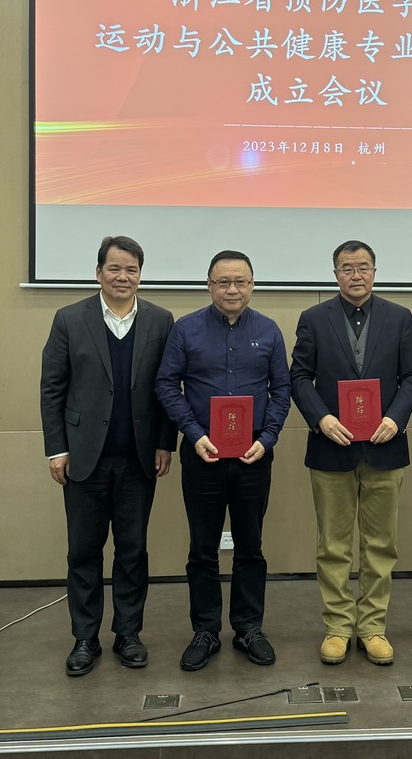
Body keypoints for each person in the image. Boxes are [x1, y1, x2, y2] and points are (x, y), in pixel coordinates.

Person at [41, 235, 175, 677]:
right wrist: (57, 449)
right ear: (98, 273)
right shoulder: (69, 319)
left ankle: (128, 634)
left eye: (131, 269)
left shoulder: (160, 320)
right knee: (83, 551)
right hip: (84, 458)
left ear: (141, 275)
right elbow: (52, 389)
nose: (123, 277)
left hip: (139, 458)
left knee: (133, 550)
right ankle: (85, 638)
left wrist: (164, 442)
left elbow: (167, 388)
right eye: (114, 268)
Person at [290, 240, 412, 666]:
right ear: (336, 274)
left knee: (381, 545)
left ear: (374, 272)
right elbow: (299, 377)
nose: (356, 275)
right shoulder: (314, 319)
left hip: (386, 446)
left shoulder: (399, 317)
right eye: (347, 268)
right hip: (332, 447)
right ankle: (337, 627)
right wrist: (321, 419)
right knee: (333, 545)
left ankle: (372, 627)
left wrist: (396, 418)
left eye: (363, 267)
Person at [155, 250, 290, 671]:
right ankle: (205, 630)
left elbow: (281, 390)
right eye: (223, 281)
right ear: (209, 285)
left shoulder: (268, 331)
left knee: (251, 546)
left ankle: (249, 627)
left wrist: (267, 438)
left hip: (253, 455)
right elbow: (166, 384)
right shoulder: (186, 329)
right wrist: (193, 433)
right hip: (202, 453)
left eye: (241, 281)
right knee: (202, 548)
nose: (232, 289)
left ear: (252, 285)